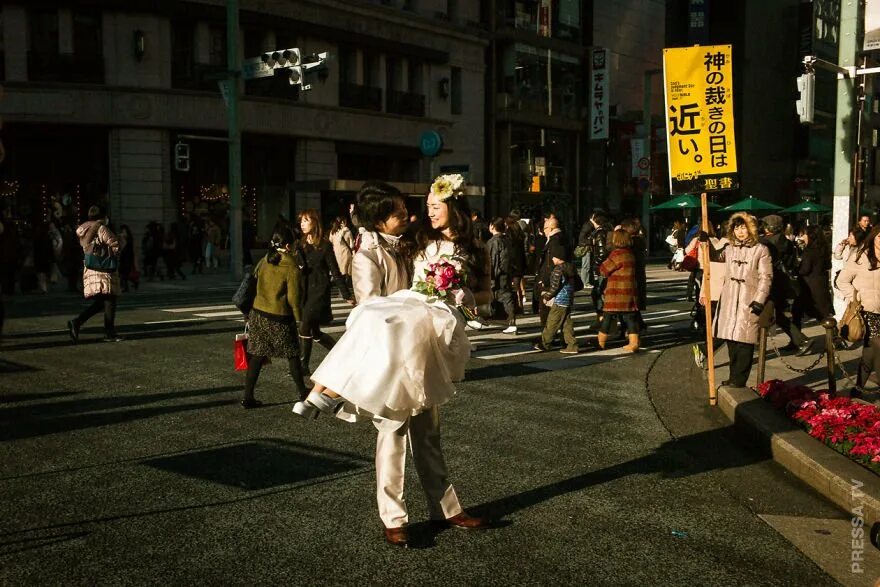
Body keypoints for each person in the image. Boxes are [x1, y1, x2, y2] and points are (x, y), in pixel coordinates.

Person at [293, 177, 490, 546]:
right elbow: (368, 310)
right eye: (407, 210)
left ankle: (446, 509)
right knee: (393, 433)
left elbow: (484, 295)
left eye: (433, 205)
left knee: (428, 434)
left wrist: (466, 297)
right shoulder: (401, 247)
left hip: (427, 347)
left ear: (454, 208)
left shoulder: (457, 248)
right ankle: (394, 517)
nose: (418, 213)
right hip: (392, 354)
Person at [239, 228, 310, 408]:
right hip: (280, 316)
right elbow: (294, 298)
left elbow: (252, 282)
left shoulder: (265, 260)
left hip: (258, 313)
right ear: (288, 245)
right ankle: (303, 392)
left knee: (256, 355)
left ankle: (247, 397)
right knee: (292, 354)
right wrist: (299, 317)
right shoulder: (291, 265)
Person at [703, 213, 772, 388]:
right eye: (737, 228)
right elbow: (715, 256)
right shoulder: (730, 248)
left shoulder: (761, 249)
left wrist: (759, 300)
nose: (740, 232)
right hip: (729, 300)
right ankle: (733, 377)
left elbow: (766, 277)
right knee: (731, 341)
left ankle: (739, 380)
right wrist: (706, 241)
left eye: (743, 227)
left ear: (751, 229)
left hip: (749, 302)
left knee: (744, 342)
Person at [296, 209, 355, 376]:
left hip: (319, 292)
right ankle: (341, 354)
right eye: (301, 221)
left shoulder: (325, 246)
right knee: (315, 333)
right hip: (305, 291)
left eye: (306, 220)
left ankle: (303, 366)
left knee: (304, 326)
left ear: (314, 222)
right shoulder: (300, 244)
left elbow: (335, 272)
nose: (302, 224)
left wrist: (346, 294)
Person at [67, 206, 124, 344]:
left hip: (91, 269)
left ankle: (77, 322)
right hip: (104, 269)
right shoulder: (101, 228)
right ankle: (109, 333)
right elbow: (115, 244)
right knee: (110, 300)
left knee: (101, 302)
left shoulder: (83, 230)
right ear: (103, 216)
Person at [836, 224, 880, 397]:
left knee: (869, 353)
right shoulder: (860, 257)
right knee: (877, 345)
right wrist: (855, 296)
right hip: (866, 310)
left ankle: (858, 389)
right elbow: (842, 281)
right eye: (879, 237)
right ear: (873, 237)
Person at [760, 214, 808, 353]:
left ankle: (801, 340)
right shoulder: (784, 240)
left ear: (770, 227)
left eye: (765, 225)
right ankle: (798, 340)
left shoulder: (769, 242)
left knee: (772, 313)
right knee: (778, 315)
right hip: (781, 282)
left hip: (773, 282)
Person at [791, 225, 834, 353]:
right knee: (821, 313)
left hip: (809, 287)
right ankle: (834, 337)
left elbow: (805, 269)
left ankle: (798, 340)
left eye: (805, 234)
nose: (803, 237)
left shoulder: (809, 251)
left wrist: (796, 269)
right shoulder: (823, 249)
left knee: (798, 311)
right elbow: (828, 265)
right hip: (820, 285)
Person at [597, 229, 640, 352]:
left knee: (608, 317)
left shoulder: (616, 254)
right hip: (629, 291)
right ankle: (634, 343)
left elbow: (604, 270)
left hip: (616, 292)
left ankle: (600, 342)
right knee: (631, 318)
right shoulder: (630, 254)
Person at [534, 257, 579, 353]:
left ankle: (545, 343)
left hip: (560, 299)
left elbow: (555, 287)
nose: (552, 259)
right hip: (568, 298)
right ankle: (572, 344)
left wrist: (547, 297)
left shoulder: (558, 269)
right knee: (566, 323)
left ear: (559, 257)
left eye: (554, 257)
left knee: (552, 322)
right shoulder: (570, 267)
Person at [533, 211, 568, 330]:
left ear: (551, 228)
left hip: (551, 281)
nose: (543, 231)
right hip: (553, 280)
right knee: (559, 314)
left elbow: (553, 263)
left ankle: (547, 338)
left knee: (548, 312)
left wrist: (544, 280)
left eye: (545, 228)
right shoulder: (558, 239)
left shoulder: (555, 241)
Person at [485, 217, 517, 334]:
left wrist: (490, 275)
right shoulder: (507, 239)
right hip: (506, 272)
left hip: (498, 274)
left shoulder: (493, 241)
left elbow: (492, 260)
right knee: (505, 295)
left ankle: (511, 322)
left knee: (505, 297)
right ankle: (509, 320)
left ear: (492, 226)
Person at [588, 210, 612, 325]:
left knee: (598, 292)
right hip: (606, 266)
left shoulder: (600, 233)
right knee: (600, 293)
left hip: (602, 267)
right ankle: (602, 319)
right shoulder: (607, 230)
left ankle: (603, 320)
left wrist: (596, 265)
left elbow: (602, 253)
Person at [328, 215, 355, 292]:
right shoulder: (347, 231)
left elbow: (330, 241)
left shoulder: (332, 232)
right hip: (345, 253)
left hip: (336, 253)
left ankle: (341, 284)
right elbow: (351, 245)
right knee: (346, 270)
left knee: (339, 269)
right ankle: (345, 285)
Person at [118, 224, 139, 293]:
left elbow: (133, 250)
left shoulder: (130, 239)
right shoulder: (121, 239)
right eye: (122, 232)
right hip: (123, 257)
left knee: (126, 273)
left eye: (124, 232)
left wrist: (135, 261)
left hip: (129, 258)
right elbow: (121, 249)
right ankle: (126, 286)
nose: (123, 233)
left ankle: (133, 282)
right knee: (122, 273)